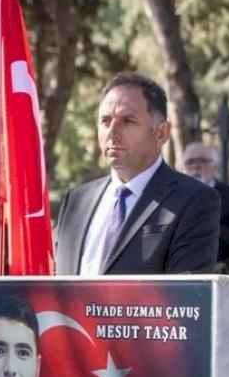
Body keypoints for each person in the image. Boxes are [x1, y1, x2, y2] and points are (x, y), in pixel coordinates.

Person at [54, 72, 220, 275]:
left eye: (128, 121)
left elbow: (185, 290)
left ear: (162, 133)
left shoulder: (194, 200)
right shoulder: (77, 200)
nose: (112, 132)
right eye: (105, 121)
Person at [182, 142, 229, 274]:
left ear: (214, 166)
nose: (196, 166)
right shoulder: (173, 197)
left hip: (221, 272)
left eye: (202, 161)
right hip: (179, 275)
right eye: (190, 162)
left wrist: (212, 228)